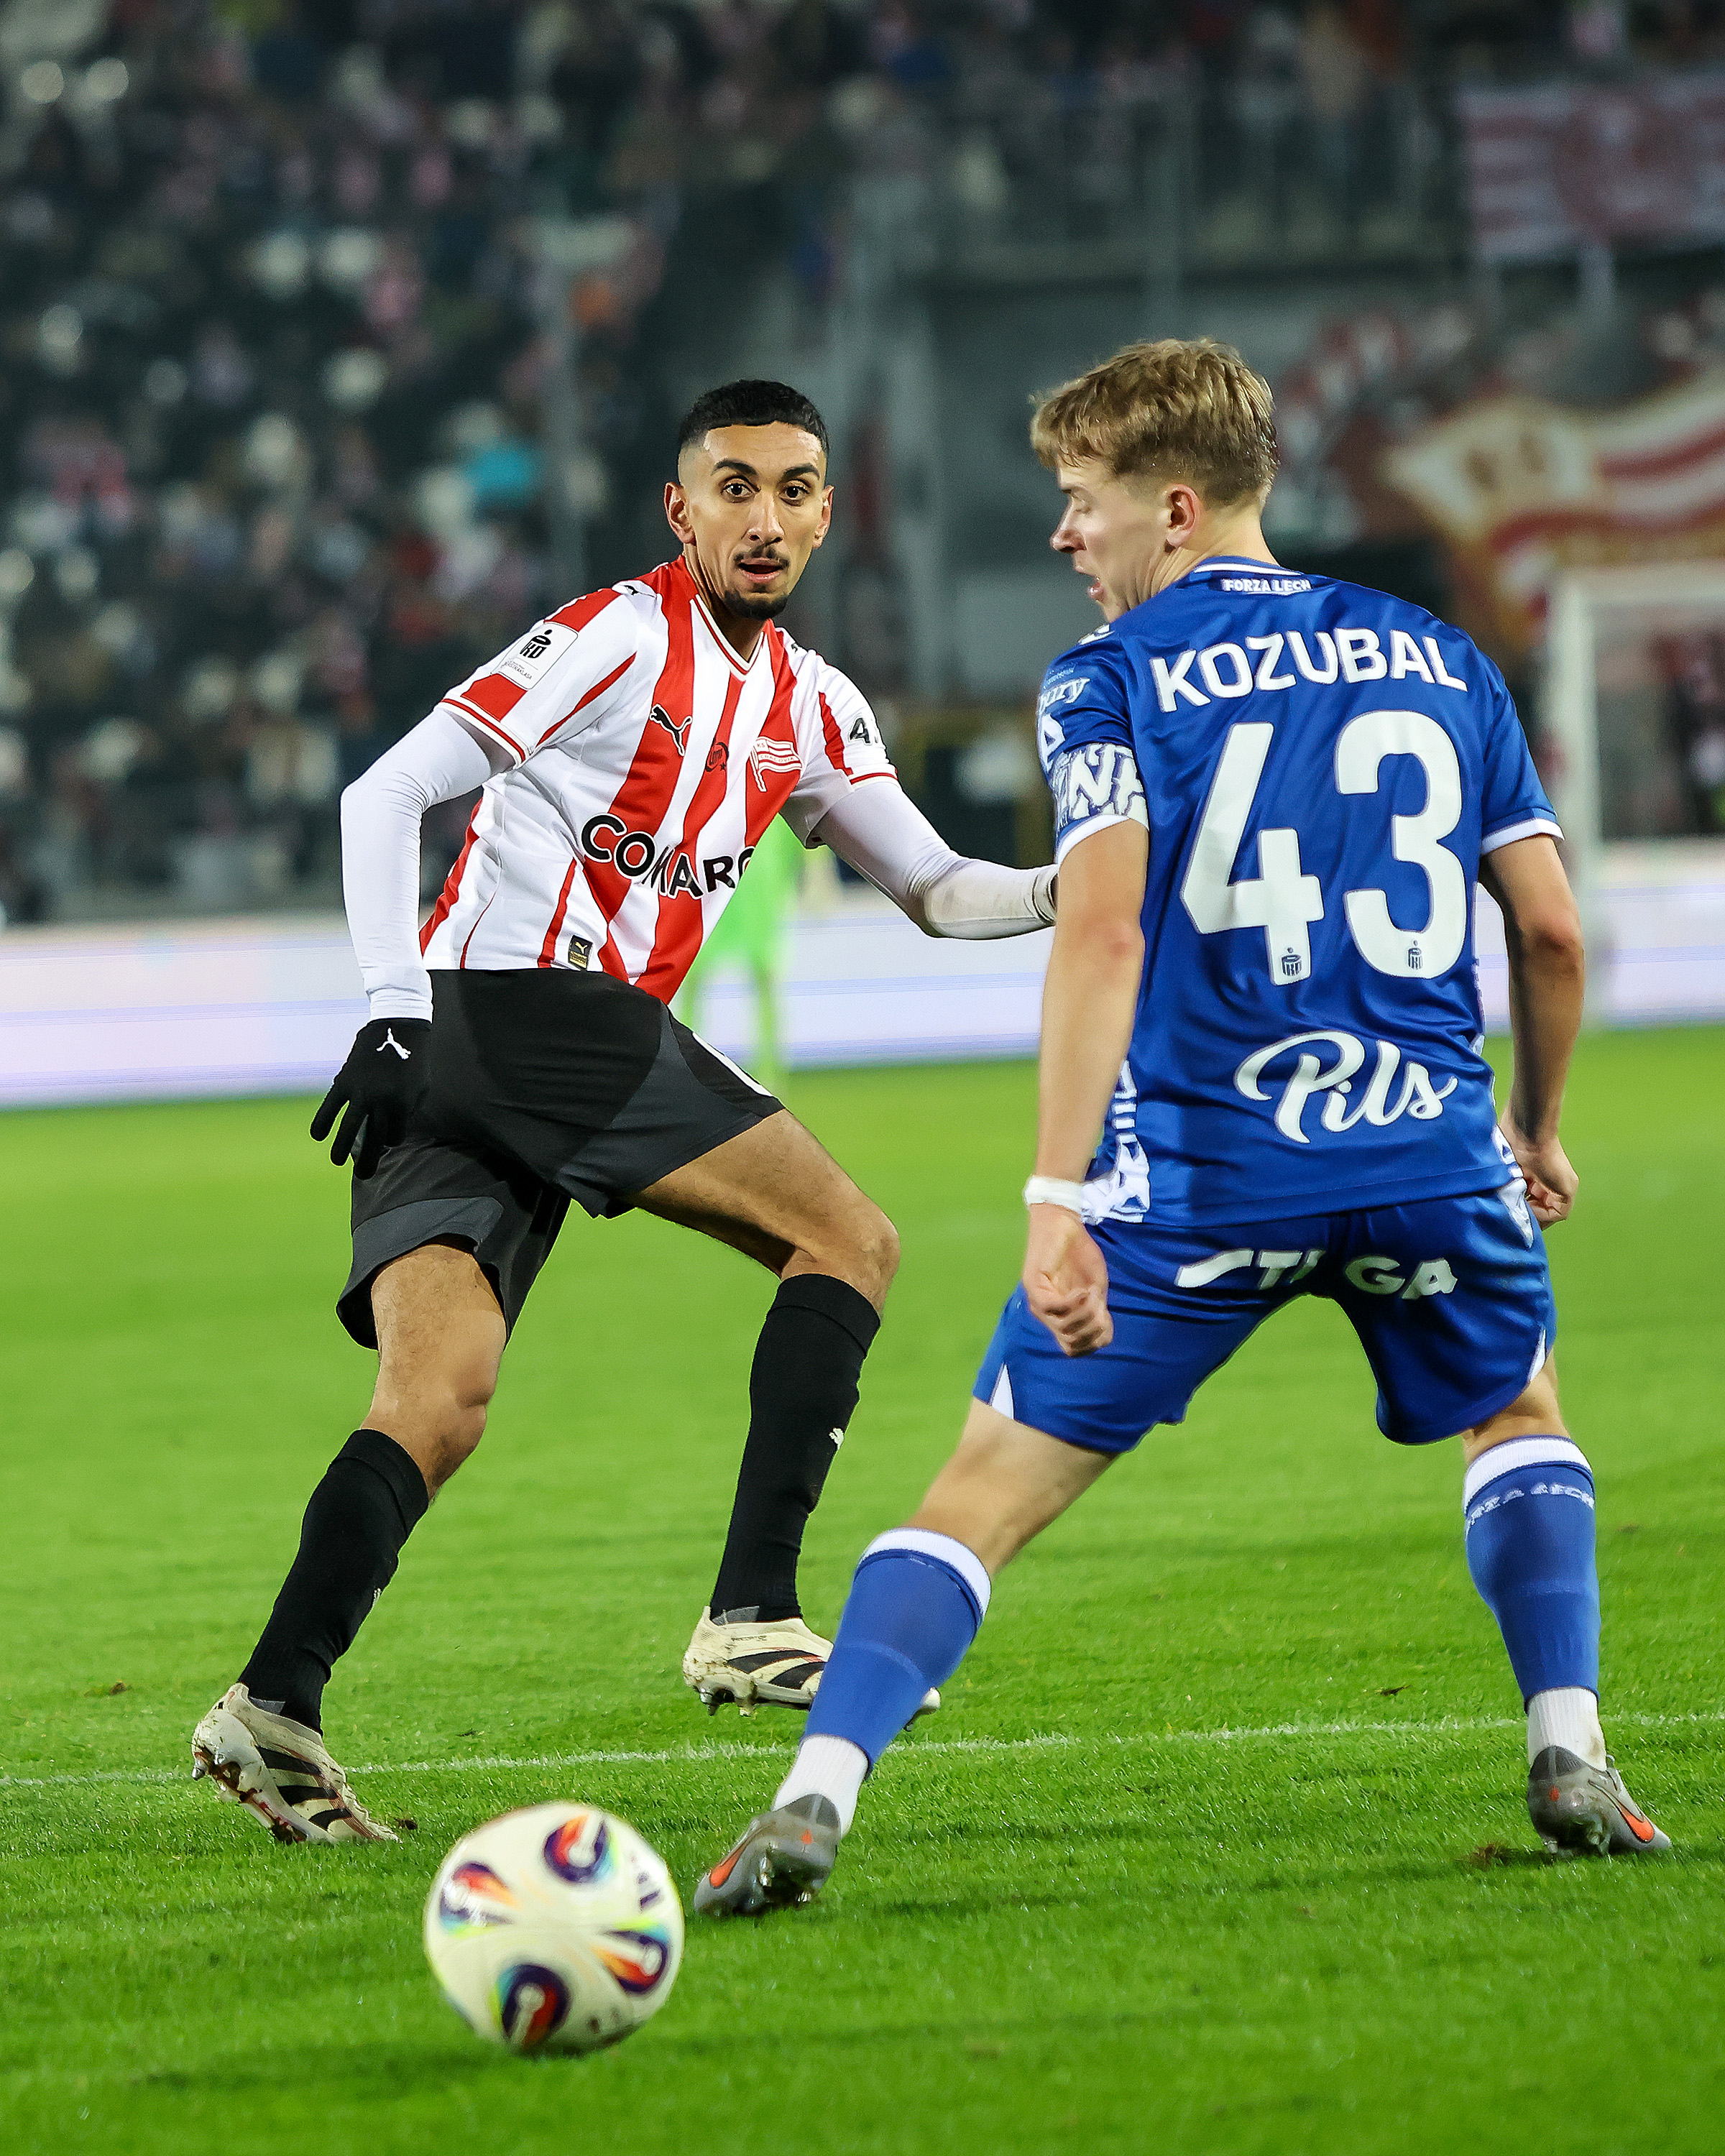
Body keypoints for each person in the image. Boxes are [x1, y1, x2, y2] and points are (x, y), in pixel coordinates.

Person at [694, 338, 1667, 1917]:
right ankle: (1573, 1752)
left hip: (1201, 1178)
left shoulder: (1112, 678)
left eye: (1082, 500)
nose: (1065, 533)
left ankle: (813, 1799)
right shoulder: (1442, 655)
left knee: (979, 1495)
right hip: (1429, 1154)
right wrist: (1535, 1127)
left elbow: (1101, 934)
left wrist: (1055, 1195)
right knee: (1520, 1411)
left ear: (1173, 505)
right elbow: (1551, 933)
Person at [191, 379, 1055, 1843]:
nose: (765, 518)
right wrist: (390, 1004)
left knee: (437, 1402)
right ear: (682, 508)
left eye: (794, 489)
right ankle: (751, 1613)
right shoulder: (613, 636)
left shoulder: (812, 703)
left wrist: (1076, 882)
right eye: (736, 487)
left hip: (467, 1057)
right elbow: (382, 794)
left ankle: (272, 1705)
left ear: (827, 516)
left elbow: (939, 888)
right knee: (850, 1240)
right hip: (524, 1011)